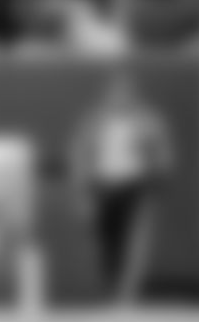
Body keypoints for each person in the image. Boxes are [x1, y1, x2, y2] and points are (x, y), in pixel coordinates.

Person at [70, 76, 174, 303]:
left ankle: (127, 292)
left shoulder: (146, 119)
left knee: (133, 240)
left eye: (125, 94)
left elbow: (161, 148)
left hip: (135, 185)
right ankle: (109, 286)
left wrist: (160, 172)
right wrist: (82, 190)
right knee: (107, 239)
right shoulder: (95, 120)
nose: (120, 98)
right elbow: (81, 153)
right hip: (104, 185)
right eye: (116, 94)